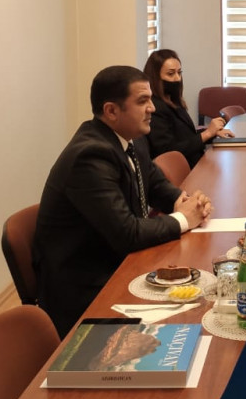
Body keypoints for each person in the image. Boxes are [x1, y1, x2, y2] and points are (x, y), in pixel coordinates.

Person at [34, 65, 213, 335]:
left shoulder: (133, 140)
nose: (152, 108)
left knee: (203, 295)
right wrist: (184, 219)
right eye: (142, 101)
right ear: (111, 111)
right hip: (88, 287)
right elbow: (127, 233)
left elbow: (156, 184)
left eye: (150, 99)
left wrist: (184, 202)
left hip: (120, 262)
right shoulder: (90, 156)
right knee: (192, 320)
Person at [141, 49, 232, 168]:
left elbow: (186, 137)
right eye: (170, 74)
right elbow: (167, 152)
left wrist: (213, 133)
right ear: (155, 77)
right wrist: (207, 133)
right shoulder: (154, 108)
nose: (177, 78)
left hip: (196, 163)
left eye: (179, 72)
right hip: (184, 171)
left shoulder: (174, 101)